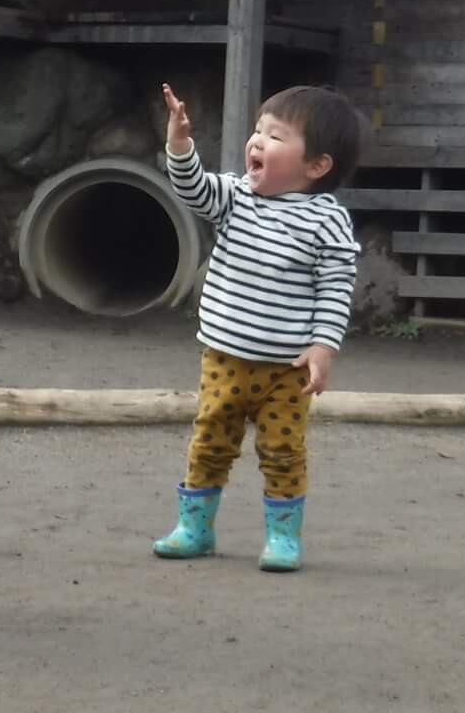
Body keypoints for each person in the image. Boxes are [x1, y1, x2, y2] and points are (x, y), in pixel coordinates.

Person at [151, 82, 361, 572]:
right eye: (258, 131)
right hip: (224, 357)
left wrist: (323, 346)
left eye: (276, 136)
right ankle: (195, 528)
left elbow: (335, 287)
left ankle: (283, 538)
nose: (258, 142)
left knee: (282, 450)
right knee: (210, 441)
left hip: (287, 369)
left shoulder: (326, 221)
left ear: (317, 166)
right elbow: (194, 189)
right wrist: (180, 143)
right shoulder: (236, 196)